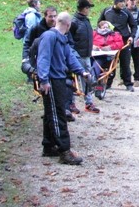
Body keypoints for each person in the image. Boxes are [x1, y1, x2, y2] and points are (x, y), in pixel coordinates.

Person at [36, 12, 90, 165]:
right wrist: (44, 80)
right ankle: (64, 151)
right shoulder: (49, 37)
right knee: (57, 114)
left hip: (59, 79)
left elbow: (70, 57)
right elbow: (43, 59)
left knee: (50, 113)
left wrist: (81, 71)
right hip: (51, 81)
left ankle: (48, 146)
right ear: (68, 25)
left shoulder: (63, 39)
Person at [98, 0, 137, 91]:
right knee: (110, 62)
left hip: (124, 40)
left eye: (124, 2)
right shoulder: (106, 11)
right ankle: (108, 83)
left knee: (125, 63)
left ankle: (128, 83)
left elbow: (134, 25)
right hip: (110, 41)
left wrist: (132, 36)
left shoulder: (126, 12)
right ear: (115, 3)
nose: (123, 4)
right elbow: (99, 24)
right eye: (121, 2)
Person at [69, 0, 99, 114]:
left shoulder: (86, 21)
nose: (89, 10)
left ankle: (89, 102)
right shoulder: (74, 22)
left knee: (87, 80)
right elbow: (70, 40)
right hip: (77, 56)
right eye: (88, 8)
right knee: (74, 80)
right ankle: (71, 103)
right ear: (83, 9)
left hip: (86, 55)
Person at [21, 6, 57, 82]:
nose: (53, 19)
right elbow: (27, 44)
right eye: (50, 16)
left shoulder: (59, 28)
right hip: (38, 59)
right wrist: (25, 59)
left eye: (55, 16)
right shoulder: (36, 28)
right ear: (45, 16)